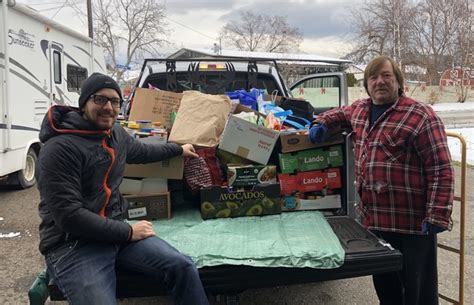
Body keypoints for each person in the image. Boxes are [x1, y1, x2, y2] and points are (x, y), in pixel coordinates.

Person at [36, 73, 209, 305]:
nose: (108, 107)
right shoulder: (59, 149)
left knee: (183, 267)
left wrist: (178, 149)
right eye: (100, 100)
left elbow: (142, 151)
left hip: (115, 234)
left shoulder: (114, 133)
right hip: (74, 245)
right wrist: (128, 232)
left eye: (115, 101)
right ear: (84, 104)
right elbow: (70, 217)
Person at [308, 56, 454, 305]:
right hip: (375, 221)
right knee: (387, 289)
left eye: (386, 76)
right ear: (367, 85)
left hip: (412, 225)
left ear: (398, 81)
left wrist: (437, 214)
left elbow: (440, 167)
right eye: (373, 77)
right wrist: (321, 123)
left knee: (418, 293)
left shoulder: (420, 116)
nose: (380, 82)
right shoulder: (360, 110)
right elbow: (339, 113)